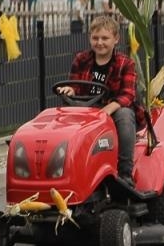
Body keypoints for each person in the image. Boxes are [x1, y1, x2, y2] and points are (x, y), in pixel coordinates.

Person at [57, 12, 138, 185]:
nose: (99, 43)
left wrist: (107, 110)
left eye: (105, 38)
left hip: (112, 109)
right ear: (90, 38)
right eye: (95, 38)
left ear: (116, 39)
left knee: (125, 115)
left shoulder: (125, 63)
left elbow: (128, 94)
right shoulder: (81, 59)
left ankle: (125, 172)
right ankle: (66, 166)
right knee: (61, 111)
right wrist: (69, 89)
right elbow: (75, 85)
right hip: (86, 108)